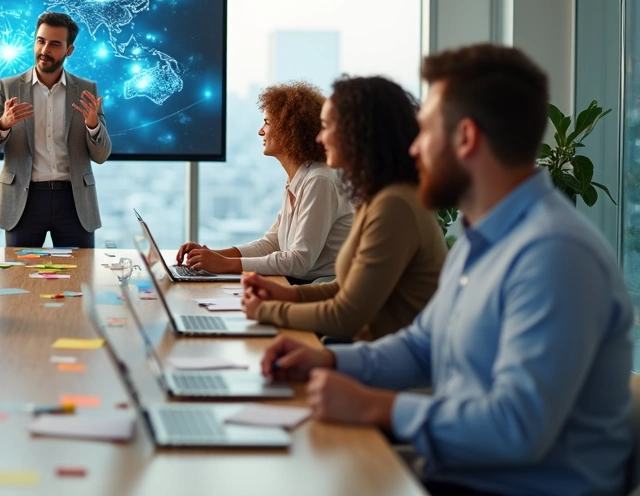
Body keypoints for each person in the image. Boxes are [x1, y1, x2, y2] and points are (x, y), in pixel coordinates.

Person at [261, 45, 633, 496]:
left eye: (424, 132)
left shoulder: (553, 255)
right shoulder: (480, 239)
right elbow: (424, 346)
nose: (413, 148)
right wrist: (330, 359)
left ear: (466, 139)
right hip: (459, 470)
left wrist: (378, 407)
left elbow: (517, 427)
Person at [241, 76, 444, 341]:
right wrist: (288, 294)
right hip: (368, 350)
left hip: (379, 358)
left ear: (357, 133)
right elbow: (347, 287)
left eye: (326, 127)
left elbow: (345, 316)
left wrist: (268, 310)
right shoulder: (378, 197)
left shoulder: (395, 205)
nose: (319, 137)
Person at [177, 82, 353, 283]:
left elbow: (299, 261)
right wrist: (212, 255)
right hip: (296, 282)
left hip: (317, 288)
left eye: (267, 122)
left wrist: (226, 264)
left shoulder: (319, 180)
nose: (261, 131)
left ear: (290, 129)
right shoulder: (299, 178)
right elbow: (272, 243)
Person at [0, 11, 112, 248]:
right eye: (41, 41)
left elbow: (101, 156)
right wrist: (4, 124)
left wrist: (92, 125)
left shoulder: (86, 90)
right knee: (17, 278)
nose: (45, 49)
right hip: (23, 200)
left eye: (55, 44)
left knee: (78, 280)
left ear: (69, 50)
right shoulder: (8, 88)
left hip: (74, 201)